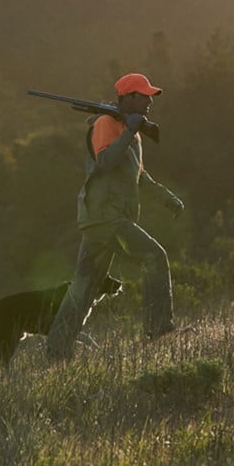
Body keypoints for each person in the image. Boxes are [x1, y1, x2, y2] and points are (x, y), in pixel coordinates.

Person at [46, 72, 185, 361]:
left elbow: (140, 177)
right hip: (106, 218)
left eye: (150, 96)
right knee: (154, 257)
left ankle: (57, 352)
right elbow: (106, 162)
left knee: (83, 287)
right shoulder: (105, 124)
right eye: (144, 96)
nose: (149, 102)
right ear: (129, 98)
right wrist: (127, 131)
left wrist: (167, 199)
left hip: (103, 219)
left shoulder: (131, 131)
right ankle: (159, 330)